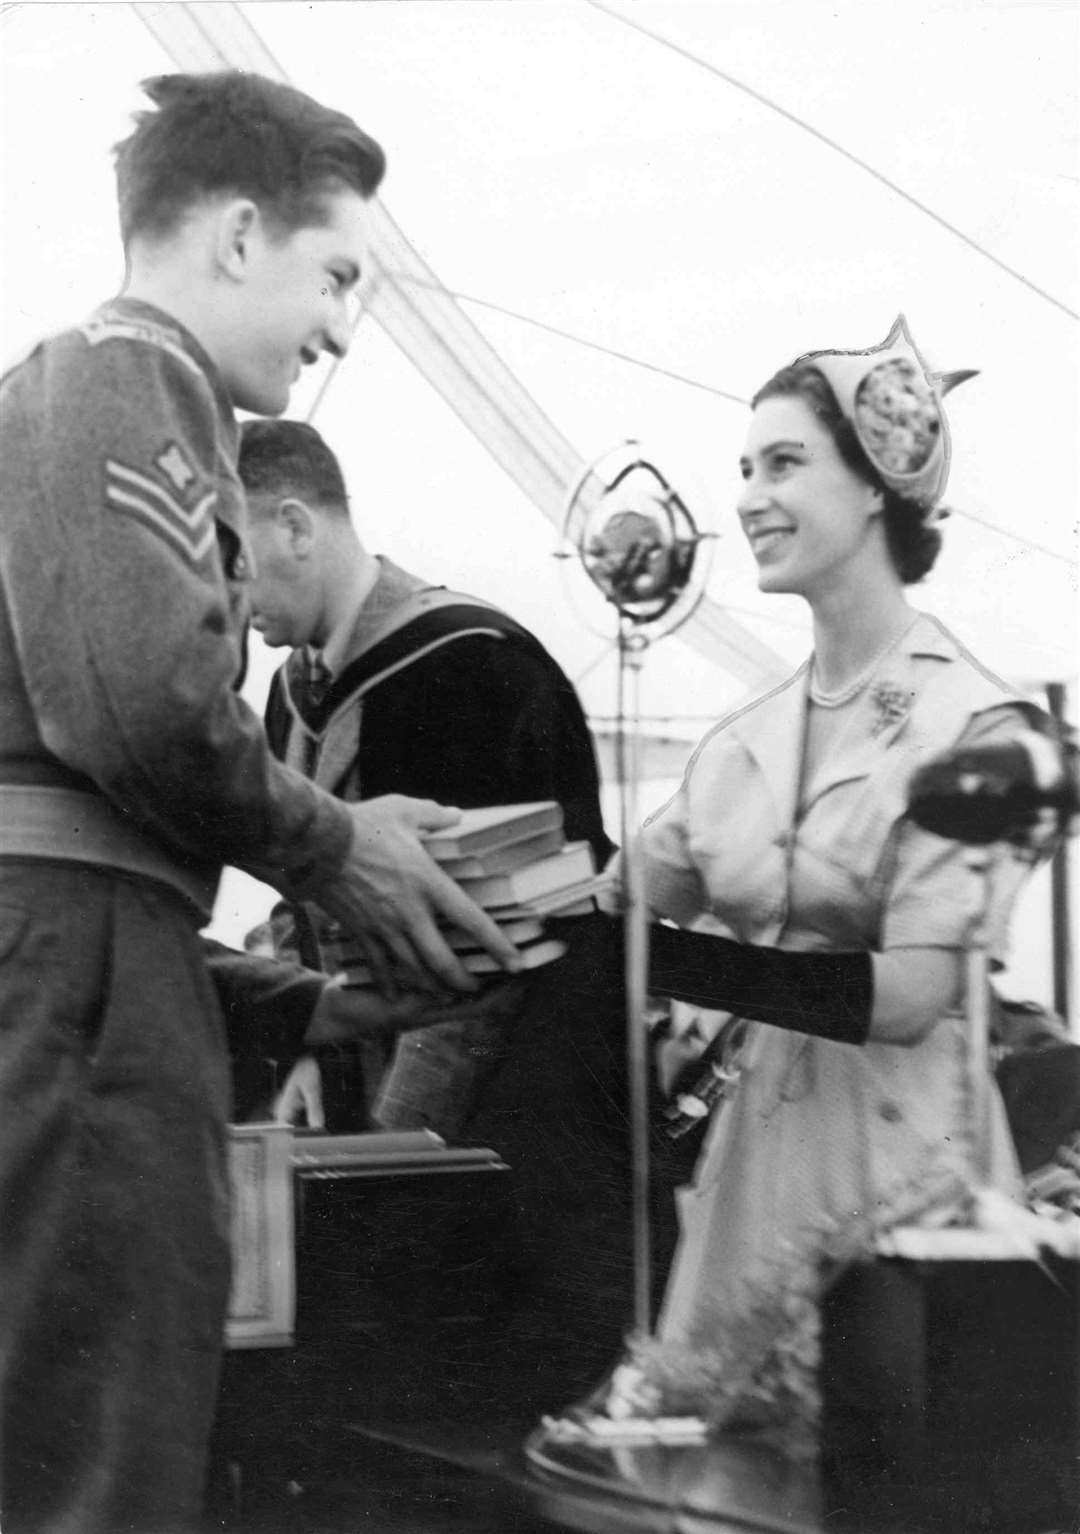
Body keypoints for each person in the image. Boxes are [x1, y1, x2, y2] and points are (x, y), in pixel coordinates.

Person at [0, 71, 520, 1534]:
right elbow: (140, 709)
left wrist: (298, 1006)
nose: (343, 323)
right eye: (335, 272)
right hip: (77, 1014)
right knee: (97, 1474)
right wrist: (339, 843)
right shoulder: (121, 373)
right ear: (237, 234)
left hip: (90, 986)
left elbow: (79, 862)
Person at [543, 317, 1058, 1447]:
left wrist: (651, 957)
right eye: (743, 469)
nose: (746, 498)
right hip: (751, 1184)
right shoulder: (745, 740)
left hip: (910, 1187)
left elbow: (912, 997)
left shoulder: (988, 732)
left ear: (878, 488)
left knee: (900, 1472)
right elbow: (616, 897)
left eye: (784, 463)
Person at [236, 417, 613, 1135]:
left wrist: (404, 1146)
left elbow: (504, 957)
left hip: (509, 1119)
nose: (225, 593)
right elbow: (295, 902)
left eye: (233, 559)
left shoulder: (477, 666)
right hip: (367, 1100)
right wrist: (306, 1046)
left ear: (293, 528)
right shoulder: (288, 698)